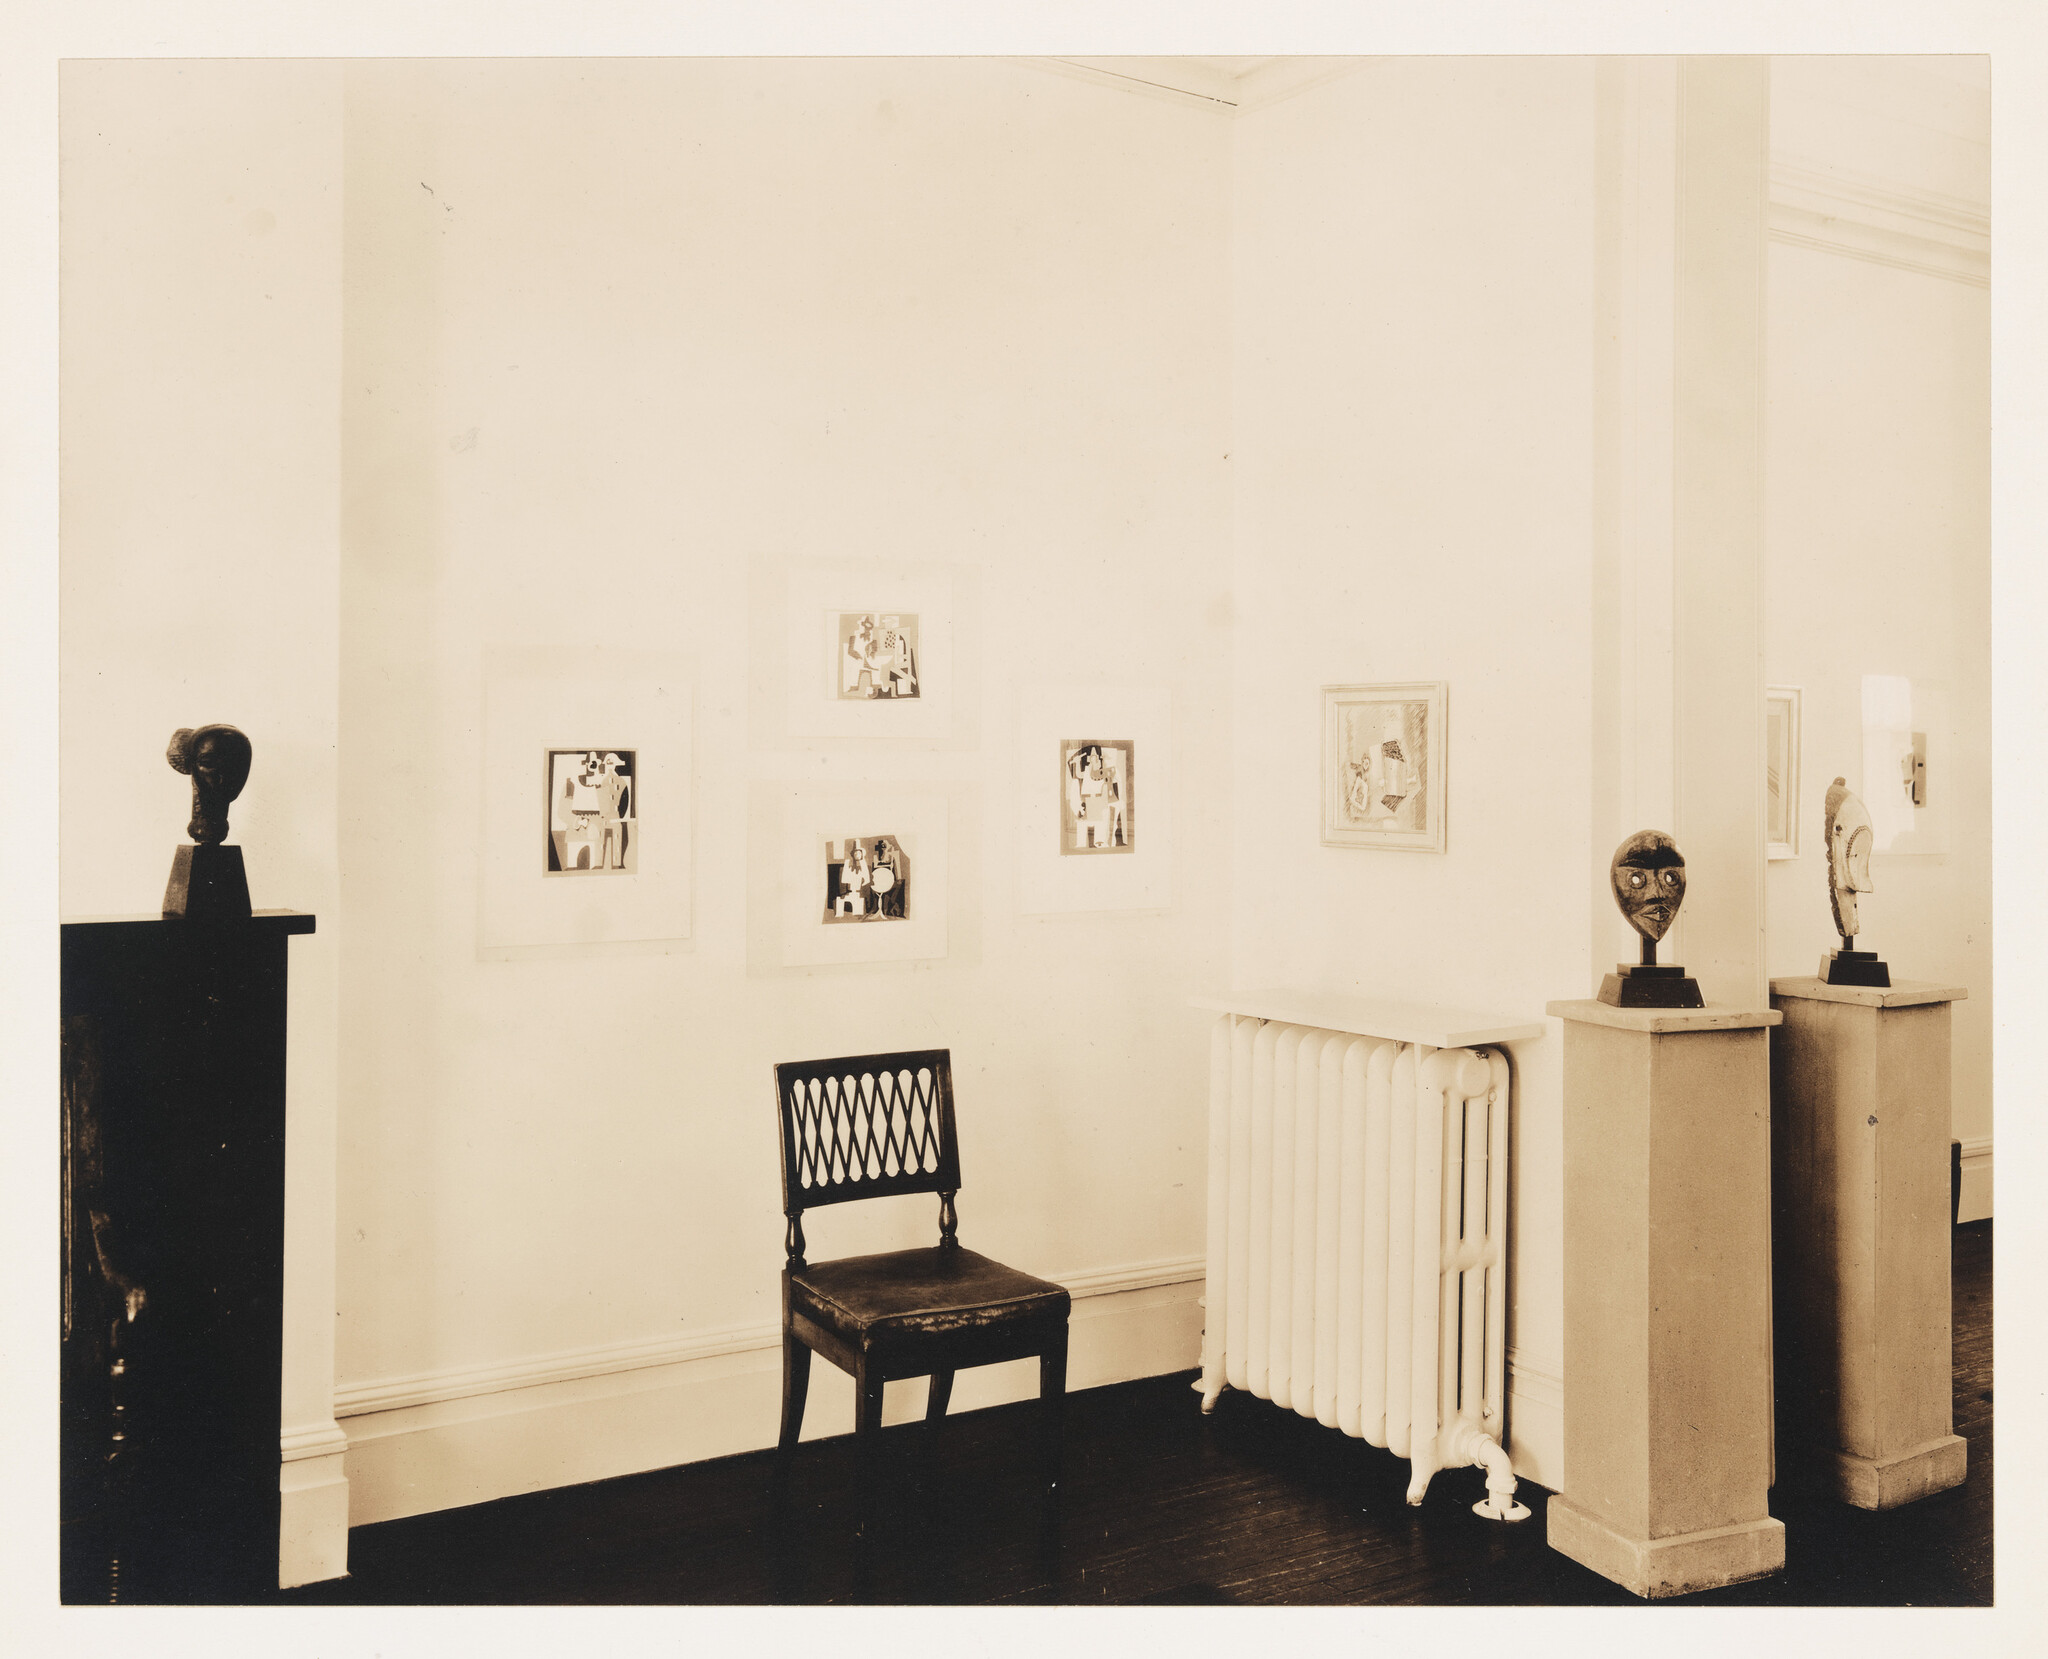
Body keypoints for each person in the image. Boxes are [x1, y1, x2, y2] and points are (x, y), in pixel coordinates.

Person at [834, 840, 869, 916]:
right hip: (850, 888)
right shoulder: (849, 863)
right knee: (841, 900)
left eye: (859, 853)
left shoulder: (863, 864)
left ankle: (857, 910)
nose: (857, 855)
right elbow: (844, 879)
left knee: (857, 905)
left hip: (857, 890)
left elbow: (866, 878)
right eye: (855, 853)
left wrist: (862, 878)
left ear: (862, 854)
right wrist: (847, 866)